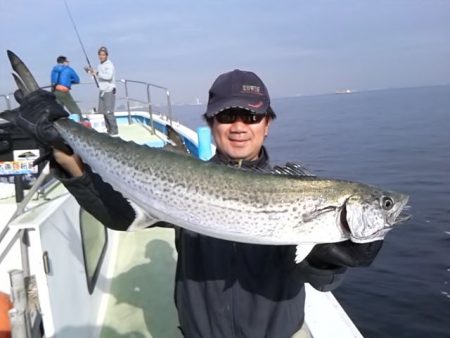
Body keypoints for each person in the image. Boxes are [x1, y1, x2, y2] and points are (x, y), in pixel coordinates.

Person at [11, 69, 383, 338]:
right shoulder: (182, 179)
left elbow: (320, 281)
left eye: (251, 116)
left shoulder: (301, 190)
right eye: (227, 116)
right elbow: (121, 217)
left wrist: (330, 258)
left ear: (267, 123)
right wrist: (68, 157)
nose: (240, 126)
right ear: (211, 123)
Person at [85, 46, 118, 135]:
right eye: (100, 55)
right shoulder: (100, 65)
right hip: (102, 91)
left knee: (109, 112)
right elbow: (98, 76)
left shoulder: (109, 65)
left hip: (109, 91)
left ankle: (114, 132)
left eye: (103, 55)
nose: (101, 56)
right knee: (102, 112)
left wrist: (97, 73)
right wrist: (89, 71)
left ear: (107, 55)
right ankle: (109, 131)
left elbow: (108, 77)